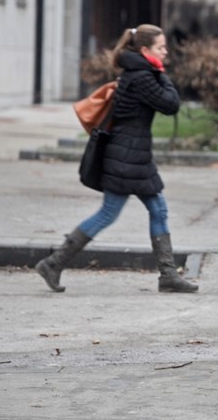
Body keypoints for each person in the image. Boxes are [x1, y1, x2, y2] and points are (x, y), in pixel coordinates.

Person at [36, 24, 198, 294]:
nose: (166, 51)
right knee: (109, 213)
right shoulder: (143, 76)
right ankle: (53, 263)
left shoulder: (137, 73)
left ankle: (168, 275)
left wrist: (156, 69)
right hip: (127, 156)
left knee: (156, 209)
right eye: (161, 47)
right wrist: (160, 72)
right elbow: (171, 104)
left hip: (131, 154)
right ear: (145, 51)